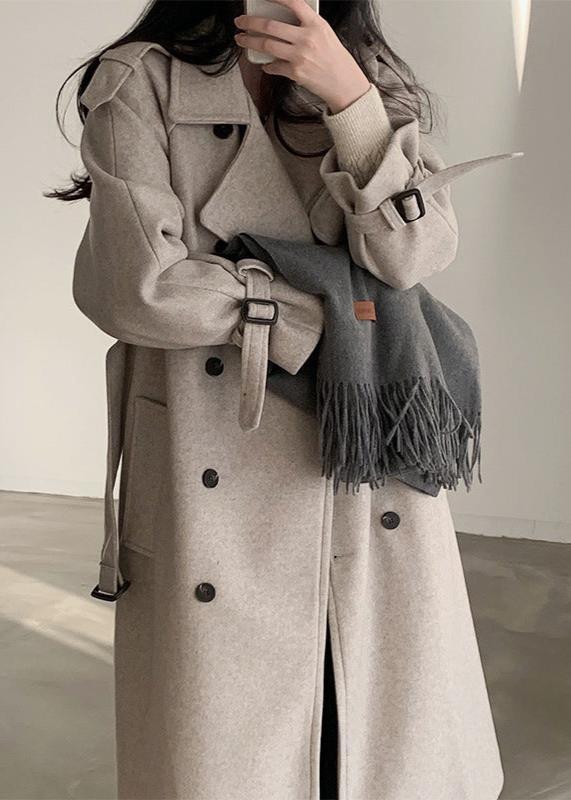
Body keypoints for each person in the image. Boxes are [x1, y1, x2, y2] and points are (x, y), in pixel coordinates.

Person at [46, 1, 505, 798]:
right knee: (236, 747)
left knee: (370, 732)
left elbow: (412, 253)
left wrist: (348, 102)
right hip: (221, 440)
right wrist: (319, 313)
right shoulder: (139, 81)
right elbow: (139, 291)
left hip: (362, 458)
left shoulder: (363, 76)